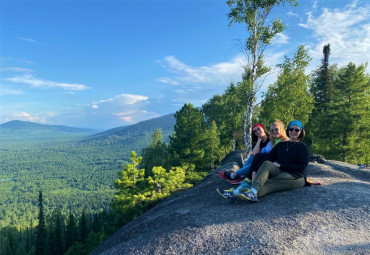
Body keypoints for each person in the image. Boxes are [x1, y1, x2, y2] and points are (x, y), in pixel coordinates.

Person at [217, 120, 310, 202]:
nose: (293, 132)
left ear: (301, 132)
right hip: (280, 172)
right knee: (265, 162)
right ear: (288, 130)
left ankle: (239, 193)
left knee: (267, 185)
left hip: (296, 177)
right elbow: (268, 158)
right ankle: (238, 193)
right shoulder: (281, 145)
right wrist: (254, 171)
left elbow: (302, 168)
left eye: (297, 130)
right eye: (291, 129)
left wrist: (281, 166)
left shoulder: (303, 147)